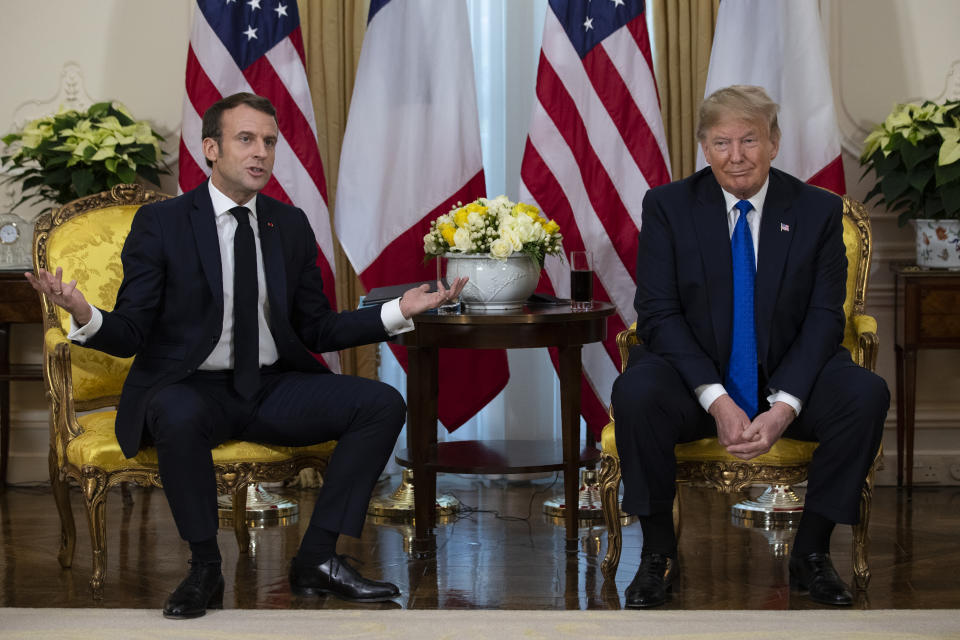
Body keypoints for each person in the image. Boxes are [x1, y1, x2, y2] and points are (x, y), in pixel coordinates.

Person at [25, 92, 466, 619]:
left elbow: (317, 328)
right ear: (211, 148)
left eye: (270, 142)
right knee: (177, 410)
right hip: (190, 388)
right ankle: (205, 568)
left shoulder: (290, 225)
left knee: (381, 404)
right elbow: (131, 332)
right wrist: (82, 311)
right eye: (246, 139)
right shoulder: (163, 225)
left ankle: (318, 558)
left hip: (269, 387)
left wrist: (398, 308)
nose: (261, 152)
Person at [610, 85, 888, 608]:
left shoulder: (816, 210)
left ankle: (811, 552)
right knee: (636, 391)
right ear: (703, 147)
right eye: (721, 143)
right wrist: (716, 398)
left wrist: (785, 407)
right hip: (695, 381)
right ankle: (658, 554)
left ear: (775, 143)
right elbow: (659, 315)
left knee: (864, 393)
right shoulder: (668, 206)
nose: (735, 156)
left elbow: (827, 317)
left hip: (789, 374)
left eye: (749, 140)